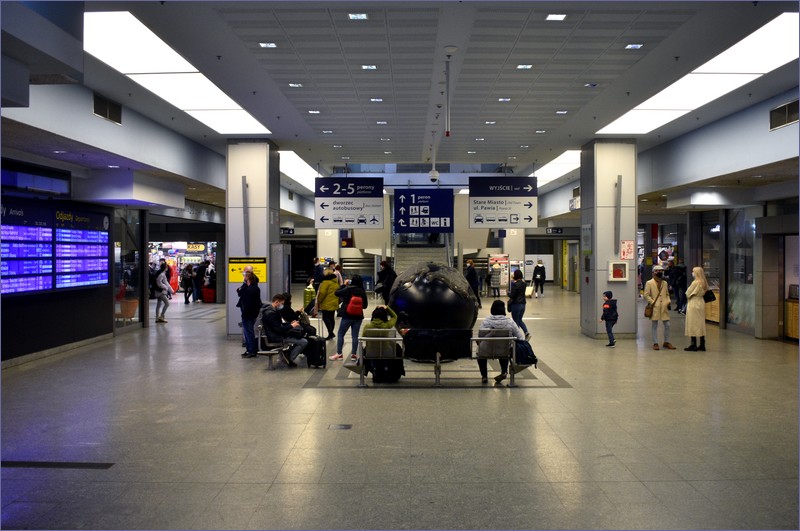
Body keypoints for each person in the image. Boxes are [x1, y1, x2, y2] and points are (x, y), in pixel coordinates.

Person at [477, 300, 524, 384]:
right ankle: (504, 372)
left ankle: (484, 376)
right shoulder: (510, 322)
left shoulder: (486, 321)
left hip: (487, 350)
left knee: (480, 352)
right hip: (504, 351)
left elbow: (480, 336)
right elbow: (520, 337)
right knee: (504, 348)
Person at [259, 293, 307, 366]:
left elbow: (278, 326)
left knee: (300, 337)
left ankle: (287, 355)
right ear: (277, 302)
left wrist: (290, 324)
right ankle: (289, 359)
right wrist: (291, 326)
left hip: (276, 334)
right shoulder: (271, 314)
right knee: (304, 341)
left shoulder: (271, 311)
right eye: (281, 304)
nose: (282, 306)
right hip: (276, 337)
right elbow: (279, 329)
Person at [331, 275, 368, 361]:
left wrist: (344, 285)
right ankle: (354, 354)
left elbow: (336, 293)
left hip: (347, 316)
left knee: (341, 334)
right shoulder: (362, 291)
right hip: (358, 317)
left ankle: (339, 354)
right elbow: (365, 306)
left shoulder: (348, 289)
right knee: (355, 336)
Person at [644, 264, 675, 350]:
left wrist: (668, 301)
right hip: (655, 307)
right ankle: (655, 343)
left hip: (664, 307)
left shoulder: (665, 283)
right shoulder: (649, 283)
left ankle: (666, 342)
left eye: (661, 271)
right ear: (653, 272)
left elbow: (667, 294)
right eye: (658, 271)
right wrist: (653, 302)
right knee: (654, 325)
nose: (660, 272)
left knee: (667, 325)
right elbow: (646, 295)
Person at [684, 266, 709, 351]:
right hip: (701, 302)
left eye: (693, 271)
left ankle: (693, 344)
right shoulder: (704, 282)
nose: (692, 273)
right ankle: (702, 344)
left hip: (694, 302)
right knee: (700, 323)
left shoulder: (695, 282)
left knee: (692, 322)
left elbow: (688, 293)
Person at [238, 271, 262, 358]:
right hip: (252, 313)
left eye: (245, 276)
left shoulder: (251, 289)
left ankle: (251, 351)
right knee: (248, 332)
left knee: (248, 333)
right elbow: (240, 292)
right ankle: (249, 350)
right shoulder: (253, 287)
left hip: (248, 314)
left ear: (248, 278)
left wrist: (244, 313)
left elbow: (247, 302)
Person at [315, 268, 339, 340]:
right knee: (331, 318)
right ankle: (330, 333)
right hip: (334, 302)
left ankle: (331, 333)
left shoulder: (325, 282)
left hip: (326, 303)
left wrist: (319, 301)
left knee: (325, 318)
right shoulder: (335, 282)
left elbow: (322, 293)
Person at [507, 269, 530, 340]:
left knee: (515, 321)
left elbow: (512, 296)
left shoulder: (515, 285)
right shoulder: (524, 284)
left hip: (516, 304)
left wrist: (508, 293)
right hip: (523, 304)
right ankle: (526, 332)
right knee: (519, 319)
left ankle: (516, 337)